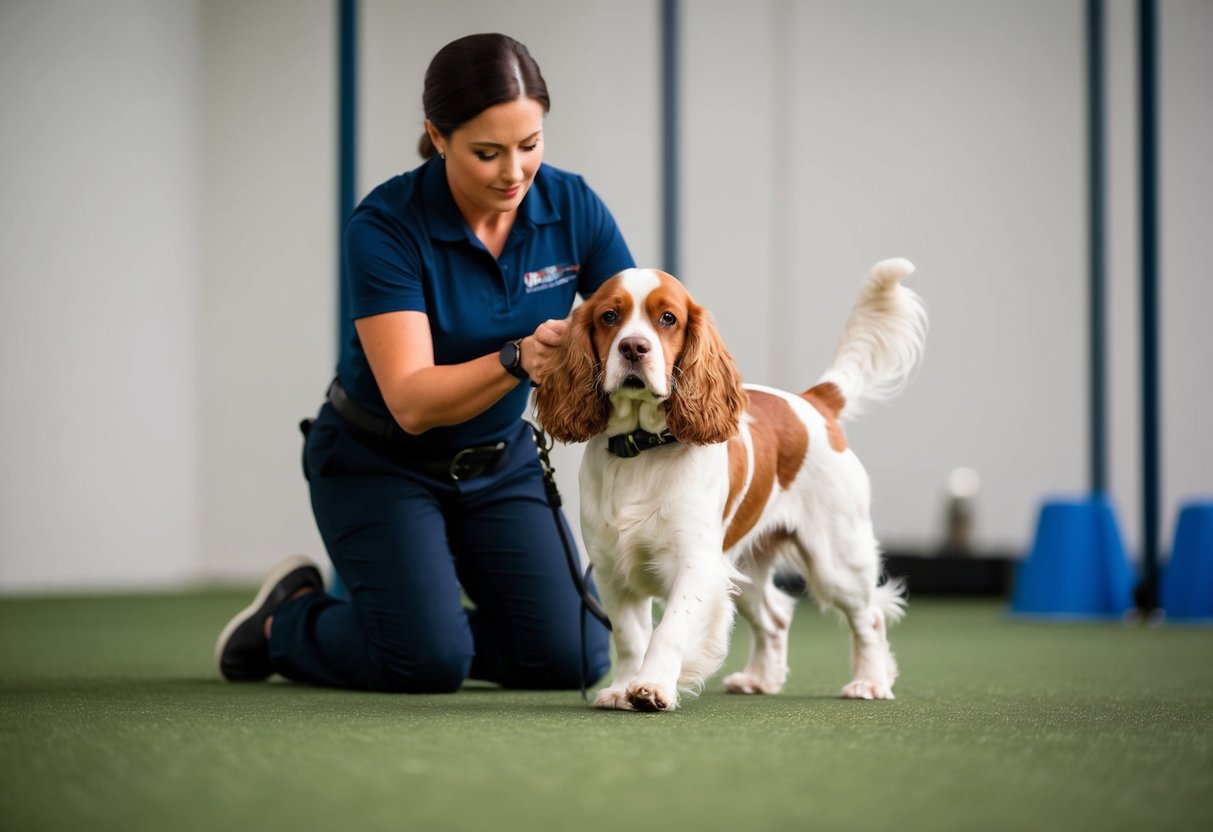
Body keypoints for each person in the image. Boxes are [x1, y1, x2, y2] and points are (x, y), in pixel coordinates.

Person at [214, 33, 634, 693]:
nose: (513, 174)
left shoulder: (572, 205)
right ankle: (286, 622)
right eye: (487, 153)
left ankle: (423, 621)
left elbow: (636, 315)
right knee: (426, 664)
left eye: (529, 146)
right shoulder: (384, 227)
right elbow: (410, 402)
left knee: (575, 655)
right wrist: (519, 358)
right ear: (436, 137)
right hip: (379, 464)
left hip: (501, 461)